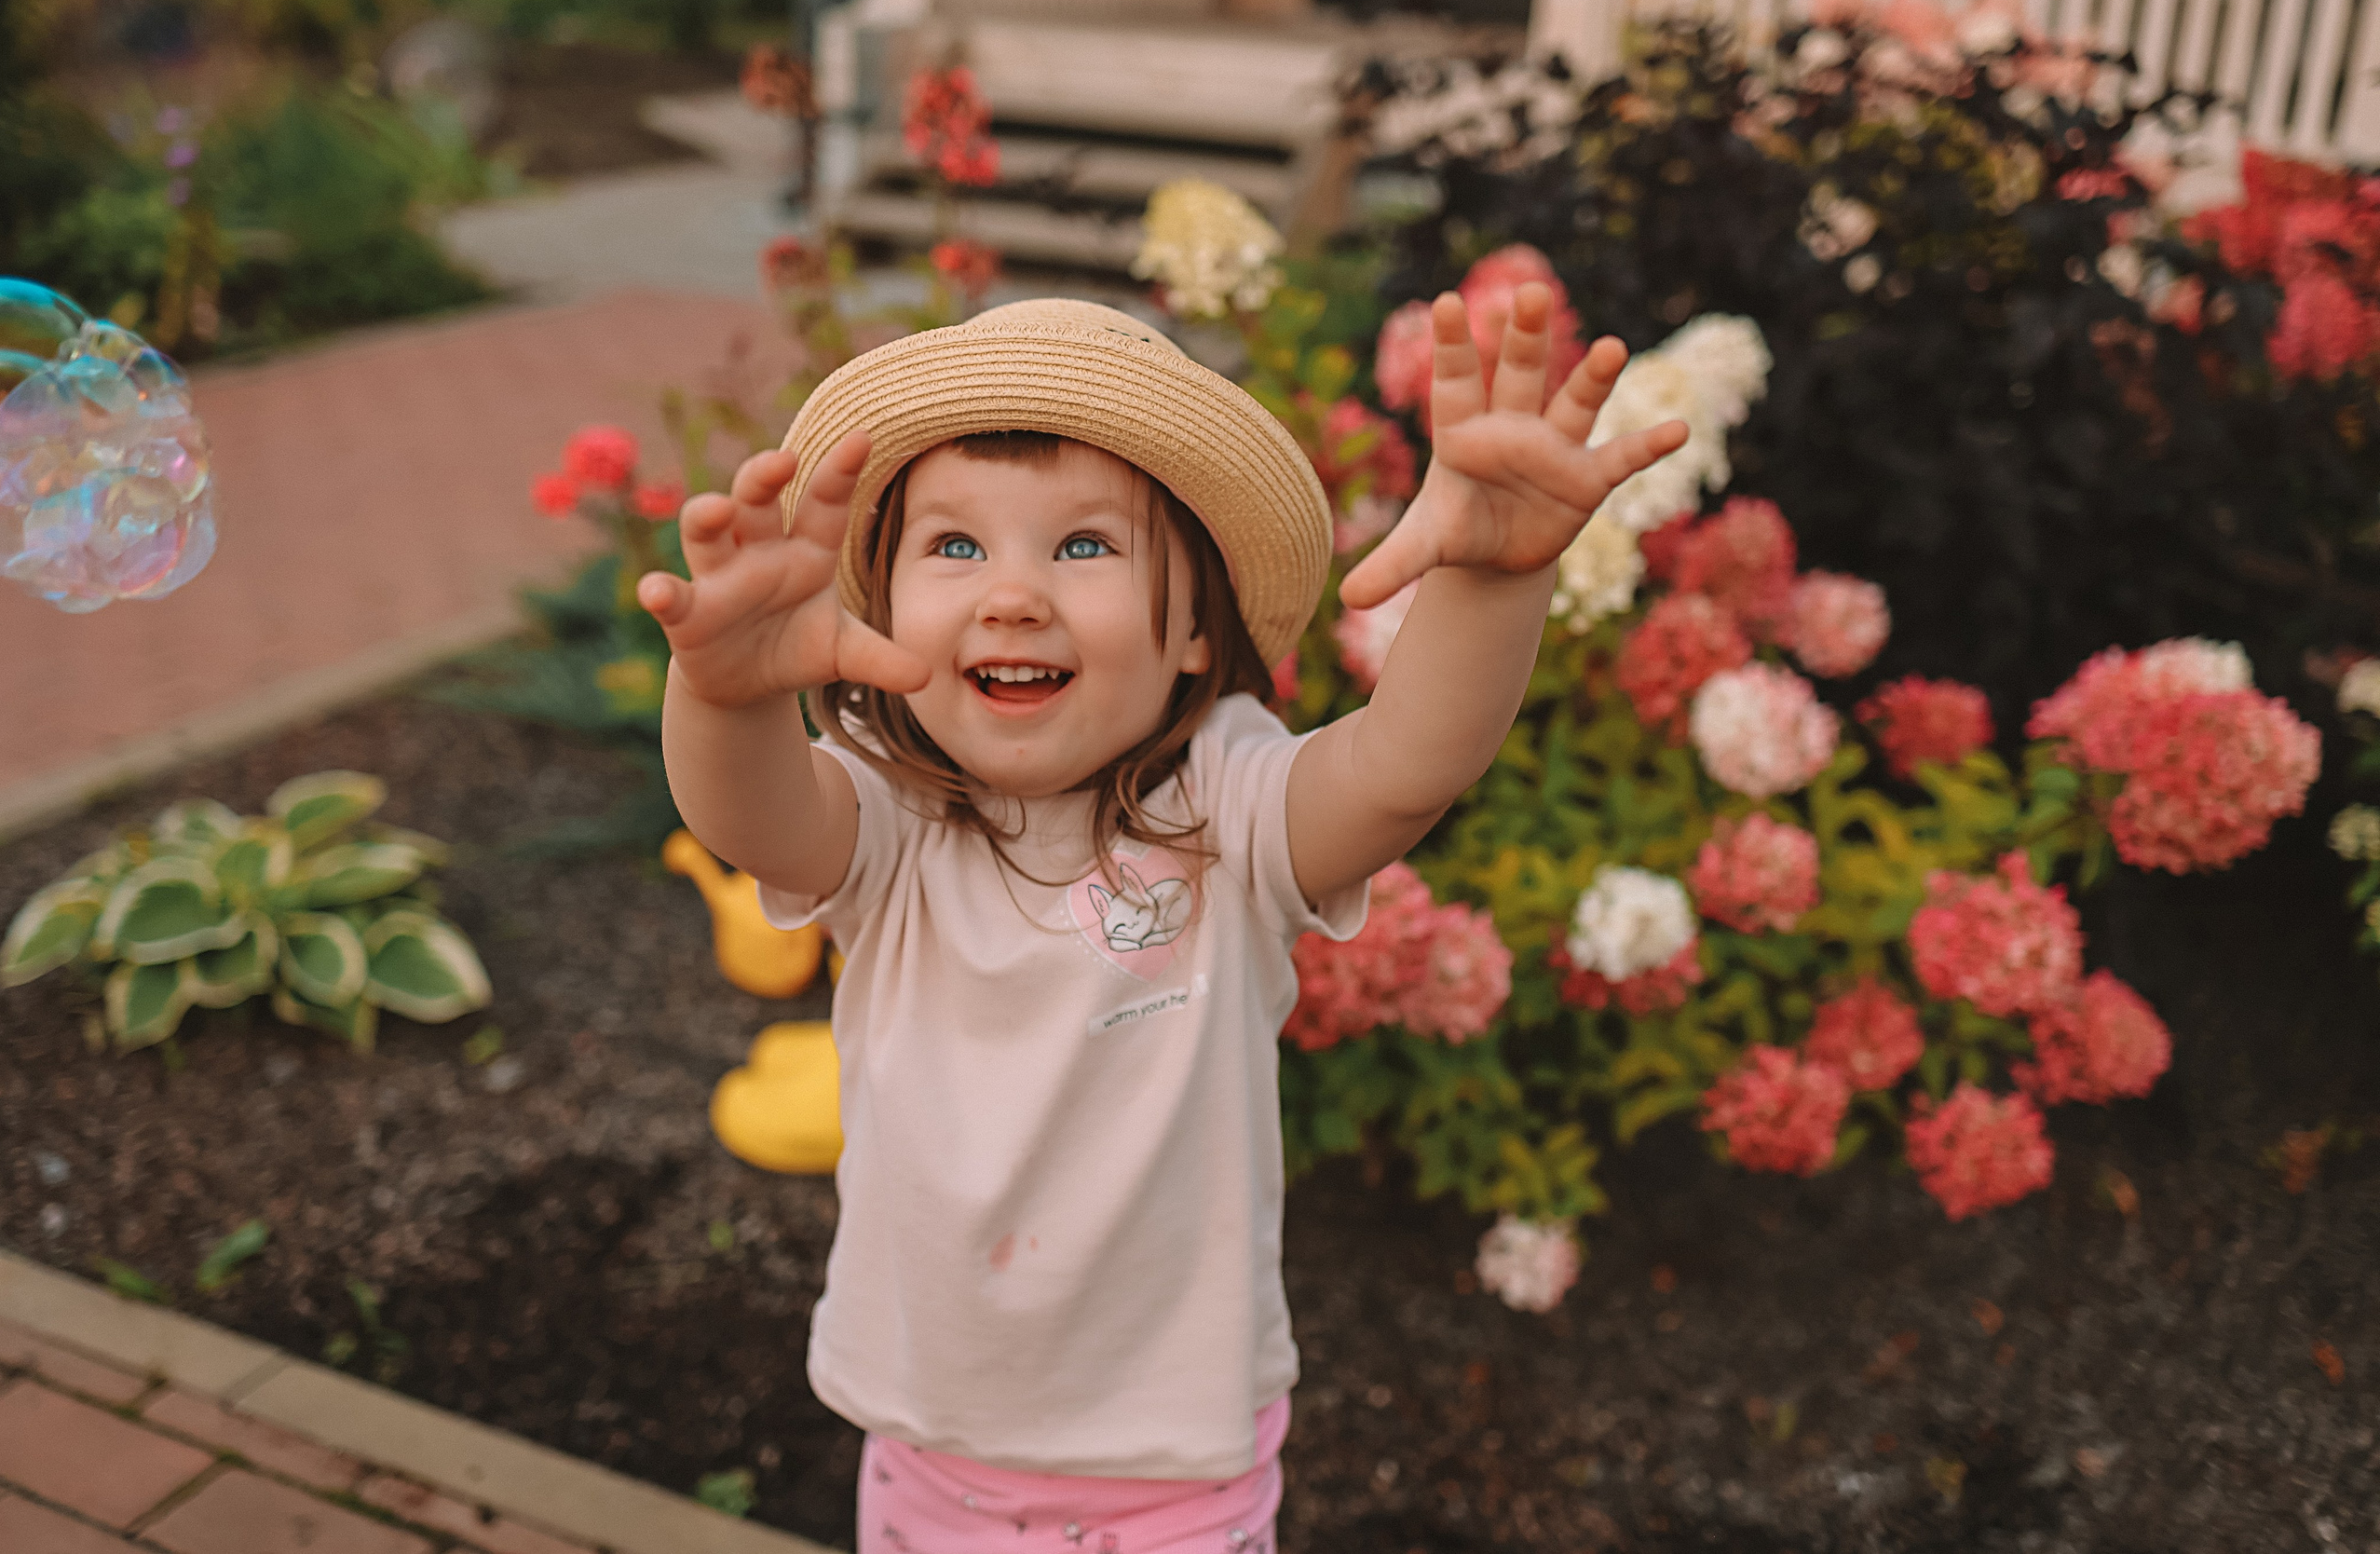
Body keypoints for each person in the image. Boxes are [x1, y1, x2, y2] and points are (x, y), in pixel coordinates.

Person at [636, 289, 1685, 1552]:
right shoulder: (887, 812)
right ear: (882, 609)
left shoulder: (1228, 805)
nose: (1012, 596)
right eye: (954, 548)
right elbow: (753, 818)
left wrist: (1495, 577)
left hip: (1170, 1475)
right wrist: (729, 699)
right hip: (928, 1446)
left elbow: (1408, 766)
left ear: (1195, 630)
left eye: (1083, 548)